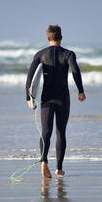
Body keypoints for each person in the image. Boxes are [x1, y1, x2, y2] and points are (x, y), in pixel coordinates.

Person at [26, 25, 86, 178]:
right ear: (61, 37)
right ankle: (59, 168)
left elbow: (30, 77)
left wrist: (29, 98)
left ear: (48, 38)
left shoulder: (40, 54)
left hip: (46, 97)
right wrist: (80, 90)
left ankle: (44, 161)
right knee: (61, 133)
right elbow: (75, 70)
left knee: (46, 131)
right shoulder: (68, 54)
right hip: (63, 98)